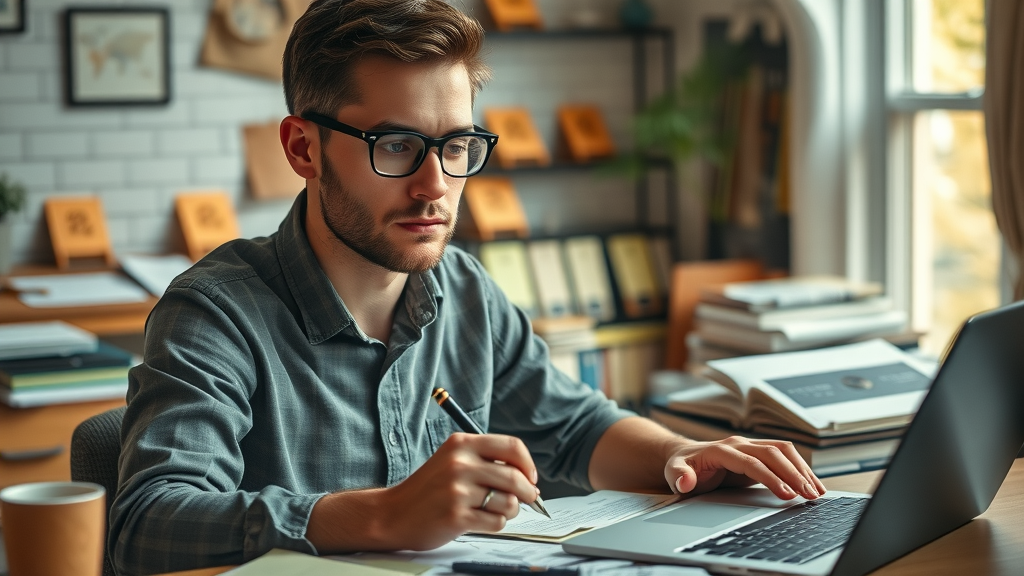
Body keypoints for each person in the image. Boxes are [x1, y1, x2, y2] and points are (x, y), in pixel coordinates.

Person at [109, 1, 826, 574]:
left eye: (455, 146)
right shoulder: (214, 313)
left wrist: (676, 455)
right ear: (304, 148)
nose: (436, 186)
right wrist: (384, 515)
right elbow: (146, 525)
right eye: (395, 145)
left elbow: (573, 427)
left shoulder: (464, 288)